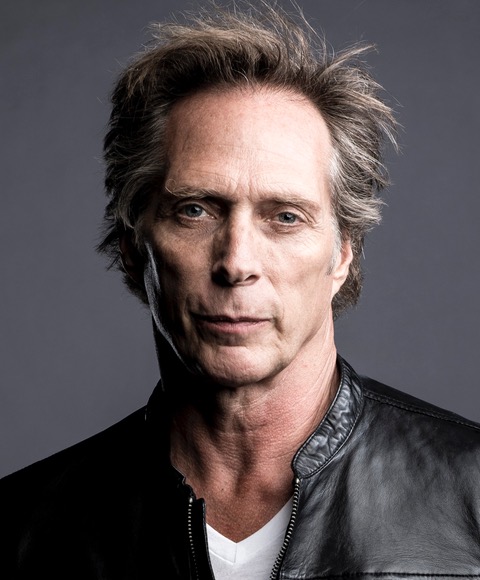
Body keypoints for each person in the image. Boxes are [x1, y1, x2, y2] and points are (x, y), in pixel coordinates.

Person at [2, 2, 480, 578]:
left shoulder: (471, 496)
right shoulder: (22, 529)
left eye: (285, 217)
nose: (236, 263)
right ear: (132, 245)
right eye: (195, 210)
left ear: (342, 253)